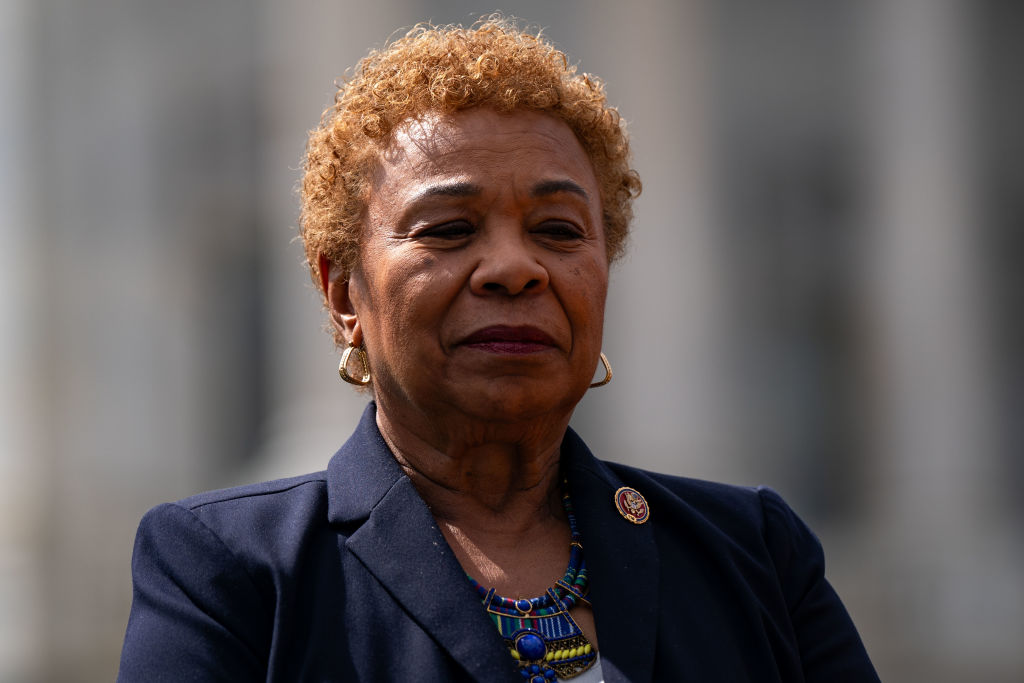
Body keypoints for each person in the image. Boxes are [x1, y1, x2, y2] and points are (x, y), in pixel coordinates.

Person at [118, 17, 879, 683]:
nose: (516, 268)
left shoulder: (755, 557)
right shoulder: (228, 570)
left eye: (558, 230)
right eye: (448, 229)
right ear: (343, 293)